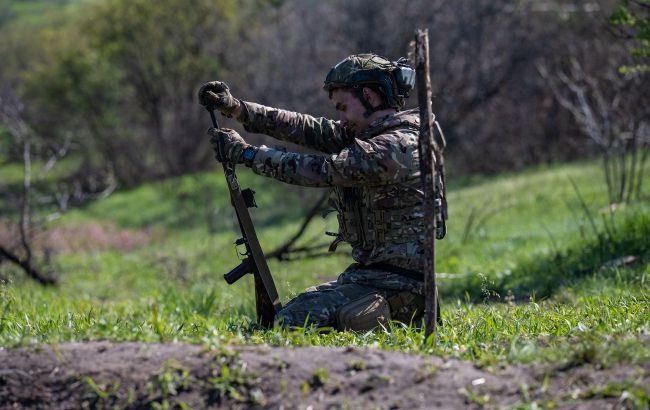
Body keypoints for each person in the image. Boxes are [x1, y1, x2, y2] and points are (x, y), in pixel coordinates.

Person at [198, 53, 444, 331]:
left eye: (343, 107)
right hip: (368, 279)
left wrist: (247, 154)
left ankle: (389, 320)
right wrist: (238, 109)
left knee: (290, 323)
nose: (340, 120)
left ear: (368, 96)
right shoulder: (366, 135)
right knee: (282, 320)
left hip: (403, 288)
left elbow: (323, 170)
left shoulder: (397, 146)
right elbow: (307, 128)